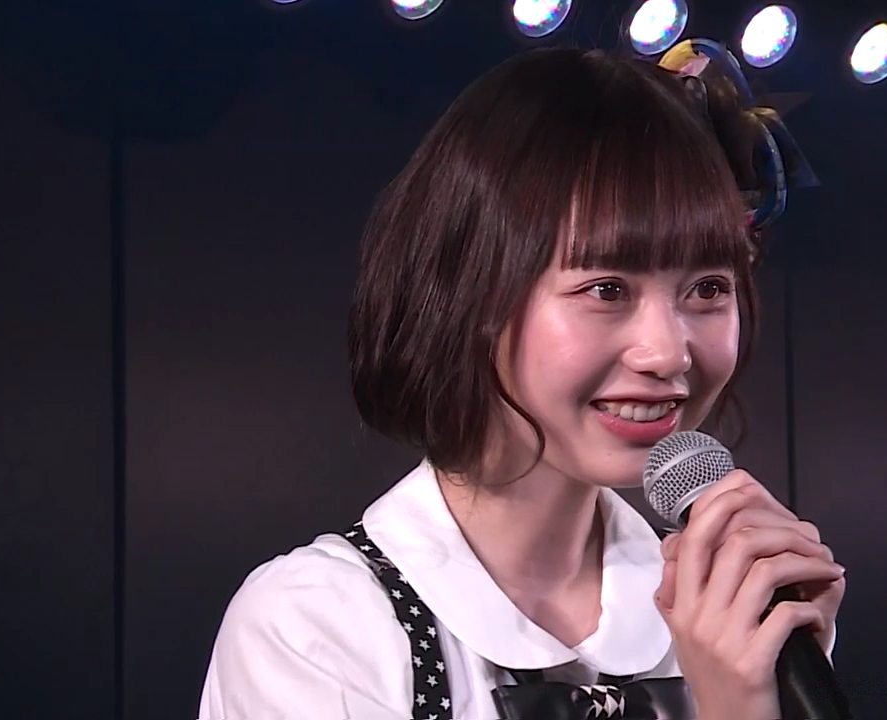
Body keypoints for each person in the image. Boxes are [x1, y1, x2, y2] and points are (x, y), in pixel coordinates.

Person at [197, 46, 846, 720]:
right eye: (606, 289)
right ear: (470, 294)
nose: (667, 353)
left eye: (708, 288)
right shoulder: (318, 630)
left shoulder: (729, 614)